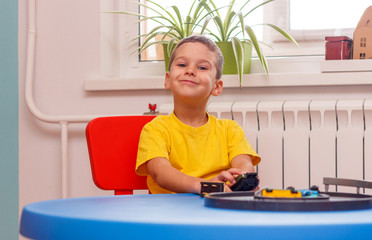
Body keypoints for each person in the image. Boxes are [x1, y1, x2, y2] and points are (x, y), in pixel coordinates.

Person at [136, 35, 260, 194]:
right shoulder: (155, 129)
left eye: (202, 67)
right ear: (167, 79)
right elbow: (161, 172)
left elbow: (244, 163)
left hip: (215, 209)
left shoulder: (230, 130)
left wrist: (242, 176)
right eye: (182, 64)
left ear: (217, 87)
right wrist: (205, 186)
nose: (190, 71)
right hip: (169, 213)